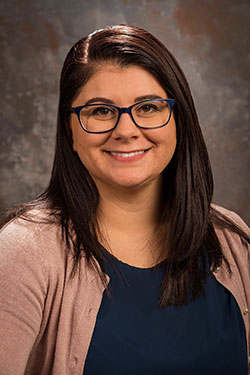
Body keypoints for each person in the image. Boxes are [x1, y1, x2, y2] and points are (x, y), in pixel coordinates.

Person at [0, 24, 249, 375]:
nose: (126, 130)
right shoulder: (23, 253)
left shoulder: (232, 239)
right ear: (70, 131)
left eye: (148, 107)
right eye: (100, 111)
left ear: (180, 120)